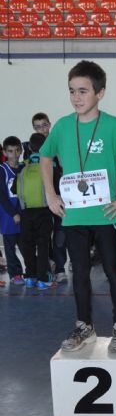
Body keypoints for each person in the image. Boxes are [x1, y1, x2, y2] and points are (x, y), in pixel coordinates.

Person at [40, 60, 116, 353]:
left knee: (114, 270)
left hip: (105, 214)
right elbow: (44, 157)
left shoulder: (113, 126)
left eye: (83, 91)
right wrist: (50, 194)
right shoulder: (63, 126)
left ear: (100, 93)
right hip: (73, 214)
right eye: (72, 91)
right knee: (79, 273)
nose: (77, 97)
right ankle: (84, 326)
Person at [15, 133, 55, 289]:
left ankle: (30, 276)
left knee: (28, 244)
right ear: (46, 146)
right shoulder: (50, 165)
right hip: (44, 211)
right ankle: (43, 278)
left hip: (26, 212)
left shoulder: (23, 166)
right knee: (43, 244)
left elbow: (14, 188)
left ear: (29, 148)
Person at [32, 112, 68, 284]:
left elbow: (66, 166)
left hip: (61, 197)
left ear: (50, 124)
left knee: (61, 234)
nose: (42, 130)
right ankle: (50, 264)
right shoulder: (30, 149)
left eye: (44, 125)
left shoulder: (59, 144)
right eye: (38, 127)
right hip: (41, 202)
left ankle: (61, 268)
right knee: (44, 236)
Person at [0, 136, 25, 285]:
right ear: (4, 152)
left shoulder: (24, 168)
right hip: (8, 215)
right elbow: (2, 195)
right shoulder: (2, 170)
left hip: (24, 213)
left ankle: (32, 271)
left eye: (17, 151)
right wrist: (13, 213)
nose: (14, 155)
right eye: (10, 151)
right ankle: (15, 274)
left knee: (25, 244)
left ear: (21, 151)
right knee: (10, 246)